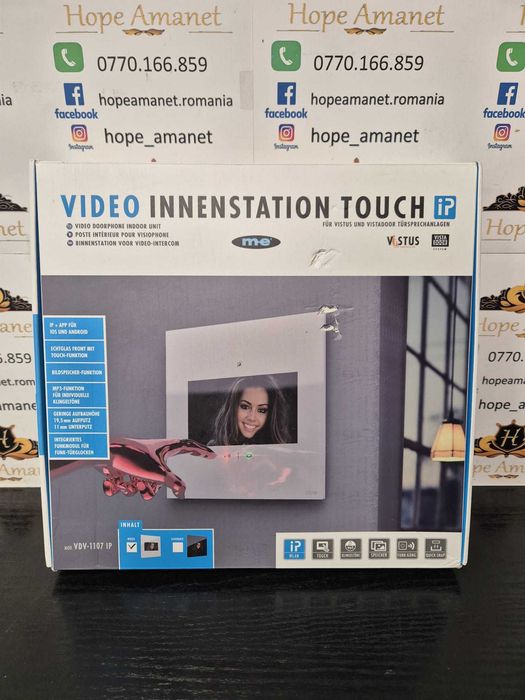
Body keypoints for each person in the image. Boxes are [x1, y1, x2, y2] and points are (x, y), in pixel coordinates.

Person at [209, 375, 291, 446]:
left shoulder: (279, 450)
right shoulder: (214, 447)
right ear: (233, 406)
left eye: (261, 410)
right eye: (245, 407)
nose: (252, 418)